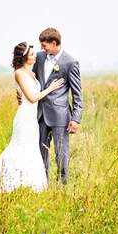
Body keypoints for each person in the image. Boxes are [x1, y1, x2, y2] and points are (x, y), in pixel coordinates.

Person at [0, 42, 64, 193]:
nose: (35, 56)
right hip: (24, 117)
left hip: (33, 119)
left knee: (31, 149)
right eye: (32, 54)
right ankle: (9, 182)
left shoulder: (32, 74)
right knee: (19, 148)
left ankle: (30, 184)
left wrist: (19, 94)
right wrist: (51, 88)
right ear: (25, 57)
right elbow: (31, 98)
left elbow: (22, 93)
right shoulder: (19, 73)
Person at [31, 28, 83, 185]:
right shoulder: (39, 57)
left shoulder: (70, 62)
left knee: (61, 155)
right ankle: (42, 185)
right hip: (40, 115)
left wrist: (76, 118)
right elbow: (32, 79)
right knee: (40, 154)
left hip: (60, 116)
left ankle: (62, 186)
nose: (42, 48)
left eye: (44, 45)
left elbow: (77, 93)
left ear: (54, 43)